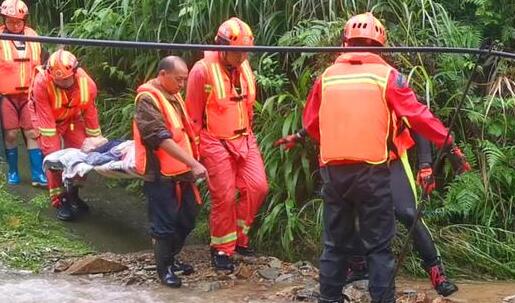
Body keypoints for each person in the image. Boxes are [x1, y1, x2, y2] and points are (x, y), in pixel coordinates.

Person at [274, 12, 470, 303]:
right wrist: (450, 144)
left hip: (337, 174)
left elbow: (313, 123)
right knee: (379, 248)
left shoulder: (326, 78)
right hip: (373, 171)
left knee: (333, 245)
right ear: (380, 45)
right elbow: (419, 117)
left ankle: (329, 298)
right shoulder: (388, 76)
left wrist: (329, 142)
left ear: (344, 41)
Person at [186, 17, 269, 271]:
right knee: (224, 194)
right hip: (213, 140)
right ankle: (222, 248)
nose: (243, 57)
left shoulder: (244, 67)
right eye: (239, 52)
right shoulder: (201, 71)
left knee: (258, 187)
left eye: (246, 52)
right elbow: (193, 116)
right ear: (222, 47)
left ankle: (240, 239)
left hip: (244, 137)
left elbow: (246, 106)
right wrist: (195, 152)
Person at [344, 129, 459, 297]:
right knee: (351, 212)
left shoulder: (396, 100)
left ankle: (437, 273)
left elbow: (417, 123)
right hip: (356, 161)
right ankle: (358, 266)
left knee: (408, 213)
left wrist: (425, 164)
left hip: (393, 160)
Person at [133, 56, 207, 288]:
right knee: (163, 223)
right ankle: (164, 269)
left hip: (181, 171)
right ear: (163, 74)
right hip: (160, 173)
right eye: (179, 80)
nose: (182, 85)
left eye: (184, 80)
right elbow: (159, 138)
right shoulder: (146, 98)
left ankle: (171, 259)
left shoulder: (172, 94)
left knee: (187, 217)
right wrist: (194, 163)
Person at [30, 49, 101, 221]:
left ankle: (73, 193)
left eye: (66, 79)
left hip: (73, 117)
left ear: (75, 73)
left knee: (82, 154)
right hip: (47, 119)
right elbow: (46, 122)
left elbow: (90, 114)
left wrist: (96, 141)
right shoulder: (41, 83)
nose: (62, 83)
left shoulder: (88, 85)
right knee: (53, 159)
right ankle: (60, 199)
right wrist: (50, 150)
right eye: (58, 80)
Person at [0, 0, 46, 186]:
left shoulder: (33, 36)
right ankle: (13, 172)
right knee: (11, 134)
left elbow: (42, 64)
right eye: (11, 21)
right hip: (6, 96)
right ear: (4, 20)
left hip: (28, 95)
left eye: (19, 21)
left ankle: (37, 174)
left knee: (32, 132)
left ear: (25, 21)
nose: (15, 25)